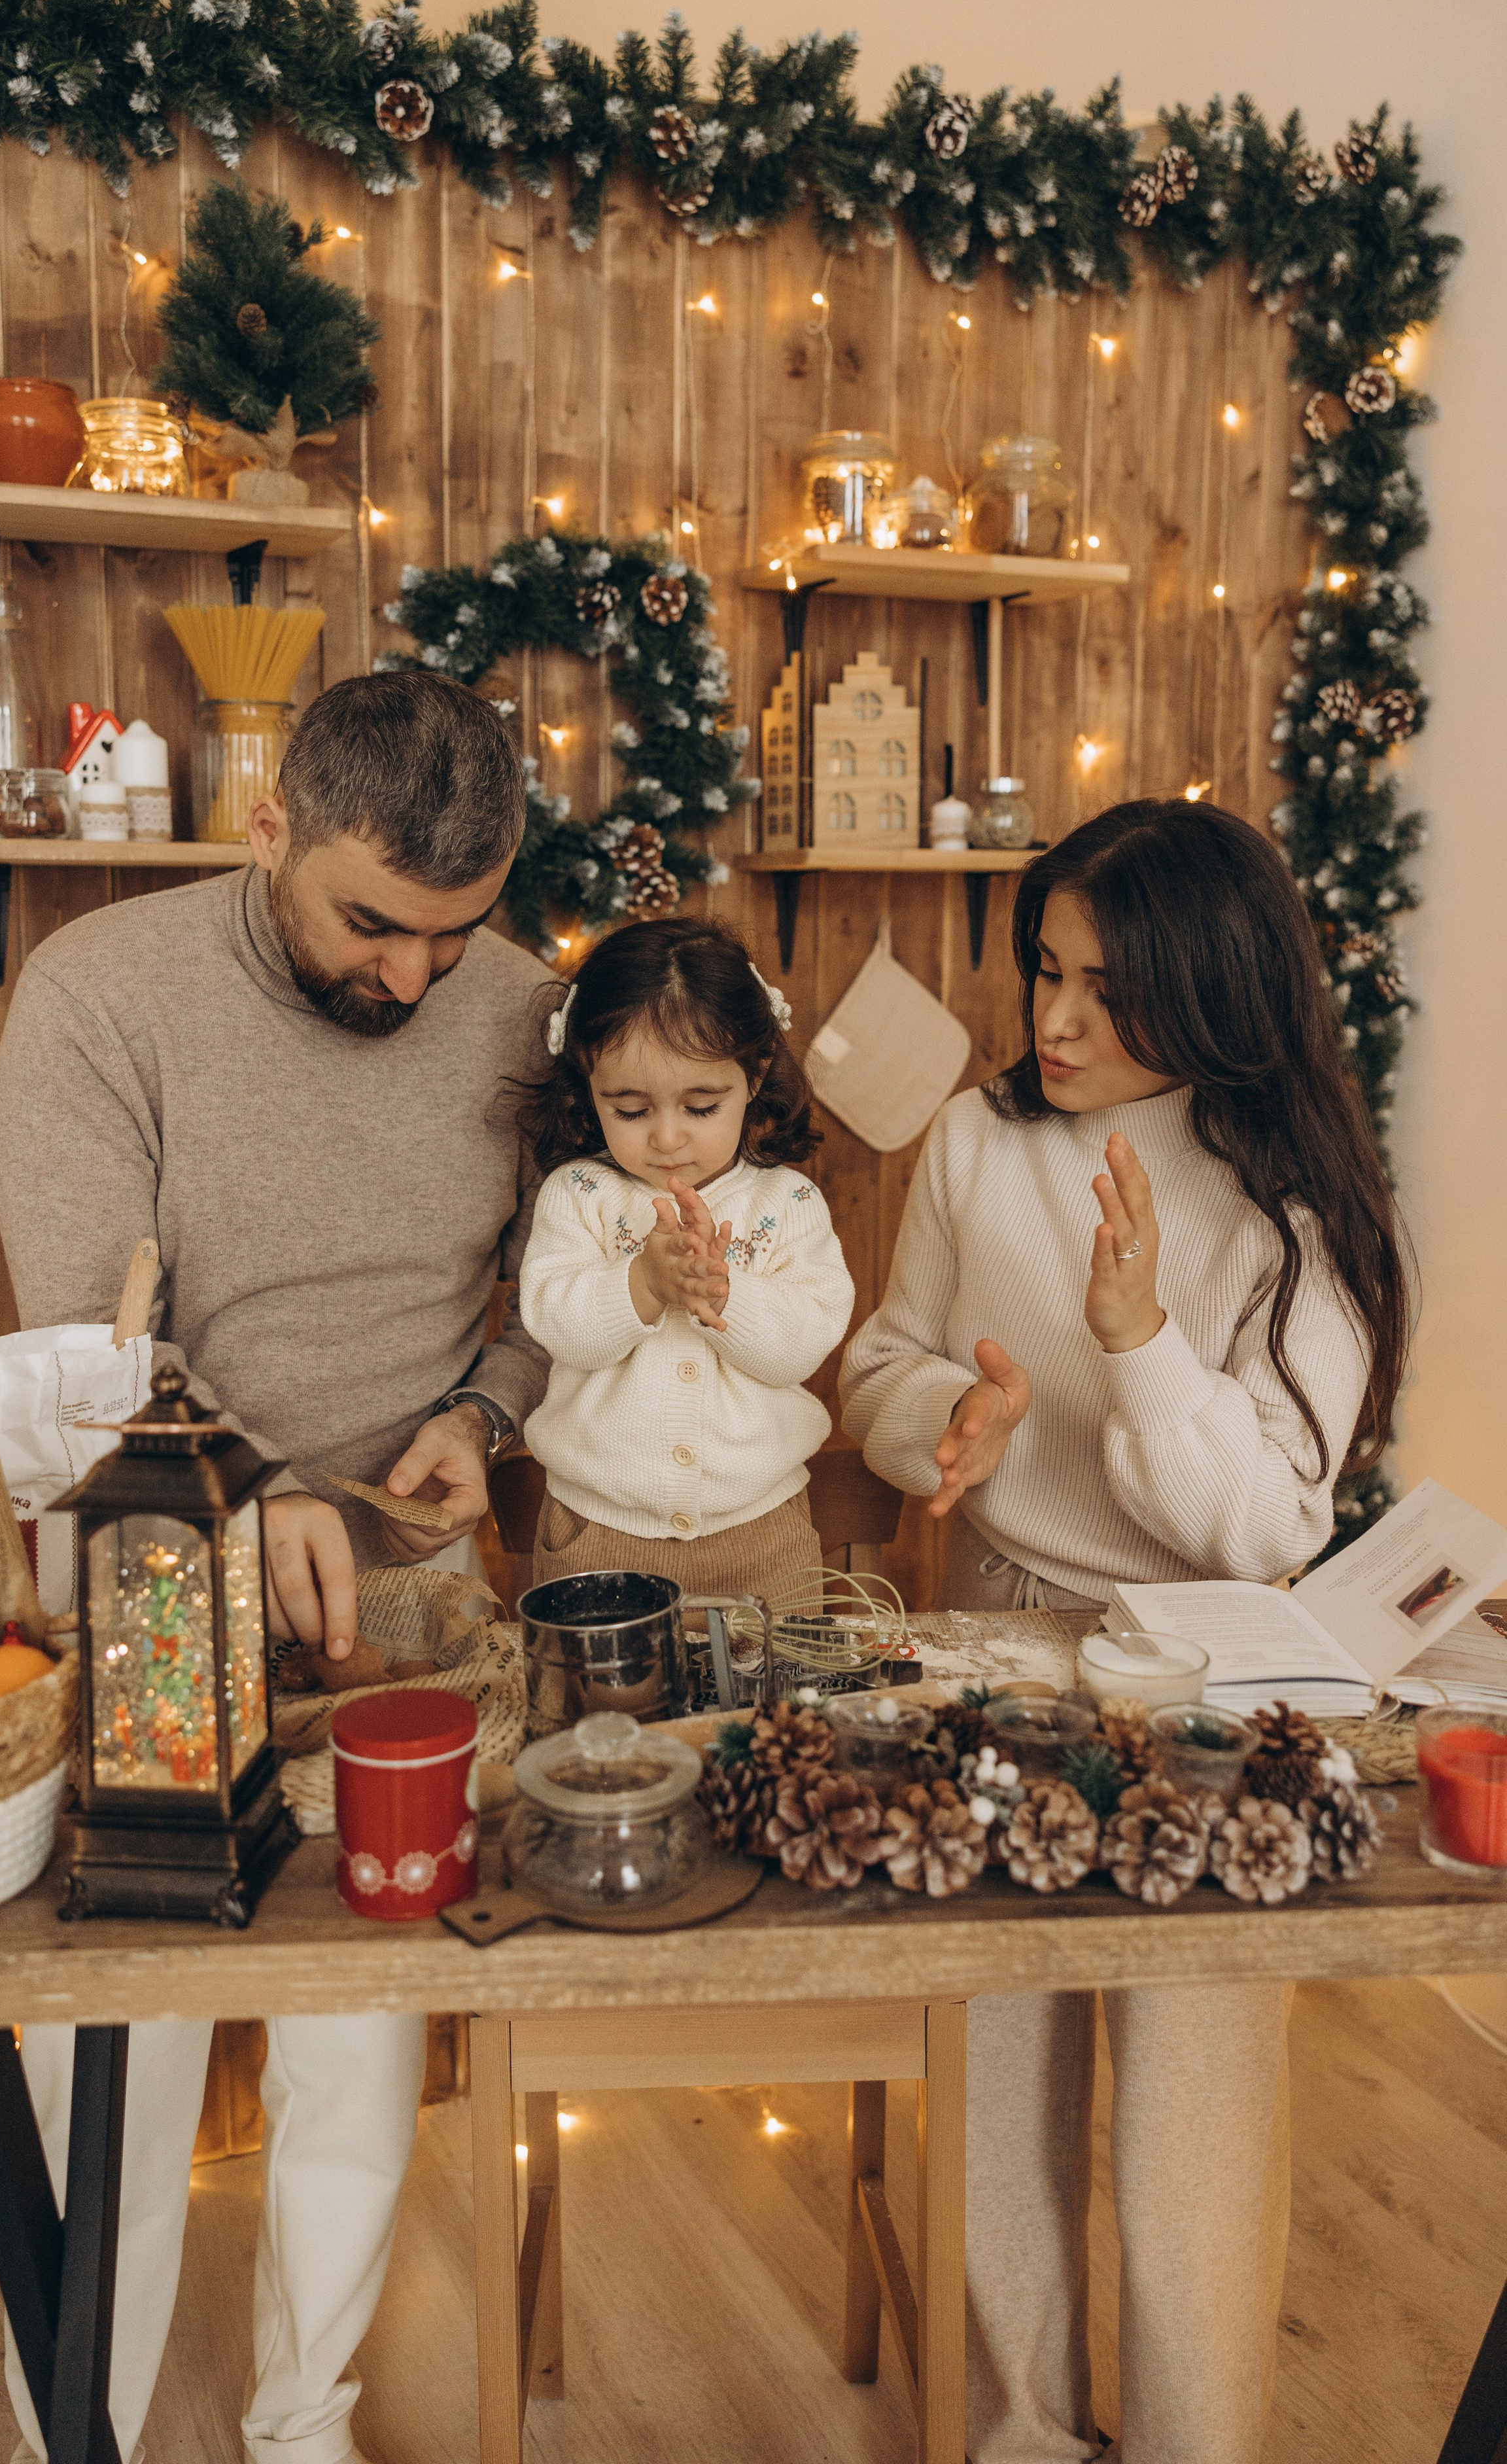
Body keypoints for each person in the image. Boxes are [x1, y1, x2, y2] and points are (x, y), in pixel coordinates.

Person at [0, 671, 554, 2464]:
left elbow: (549, 1307)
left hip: (406, 1594)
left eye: (451, 941)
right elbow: (85, 1341)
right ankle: (71, 2433)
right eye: (370, 923)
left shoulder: (531, 1012)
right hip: (153, 1579)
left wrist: (480, 1409)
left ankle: (303, 2426)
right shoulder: (98, 995)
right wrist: (238, 1491)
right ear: (266, 832)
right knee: (123, 2068)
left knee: (359, 2047)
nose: (410, 980)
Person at [839, 799, 1410, 2464]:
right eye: (1044, 970)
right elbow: (878, 1361)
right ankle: (1020, 2432)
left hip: (1214, 1672)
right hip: (996, 1640)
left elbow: (1263, 1526)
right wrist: (950, 1411)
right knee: (1001, 2069)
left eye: (1104, 985)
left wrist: (1140, 1340)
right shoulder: (974, 1140)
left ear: (1214, 989)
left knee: (1191, 2114)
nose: (1056, 1019)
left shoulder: (1290, 1208)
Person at [515, 917, 855, 1608]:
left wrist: (724, 1296)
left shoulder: (786, 1202)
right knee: (600, 1713)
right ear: (587, 1083)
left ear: (754, 1074)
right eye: (630, 1109)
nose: (667, 1138)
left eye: (701, 1106)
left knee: (773, 1709)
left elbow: (801, 1348)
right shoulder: (579, 1195)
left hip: (762, 1532)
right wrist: (641, 1283)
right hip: (598, 1530)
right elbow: (557, 1323)